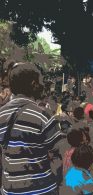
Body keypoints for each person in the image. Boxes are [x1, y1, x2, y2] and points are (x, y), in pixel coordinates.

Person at [0, 62, 63, 194]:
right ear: (34, 84)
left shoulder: (2, 114)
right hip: (41, 190)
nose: (43, 85)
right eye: (41, 81)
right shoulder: (42, 115)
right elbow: (59, 152)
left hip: (10, 190)